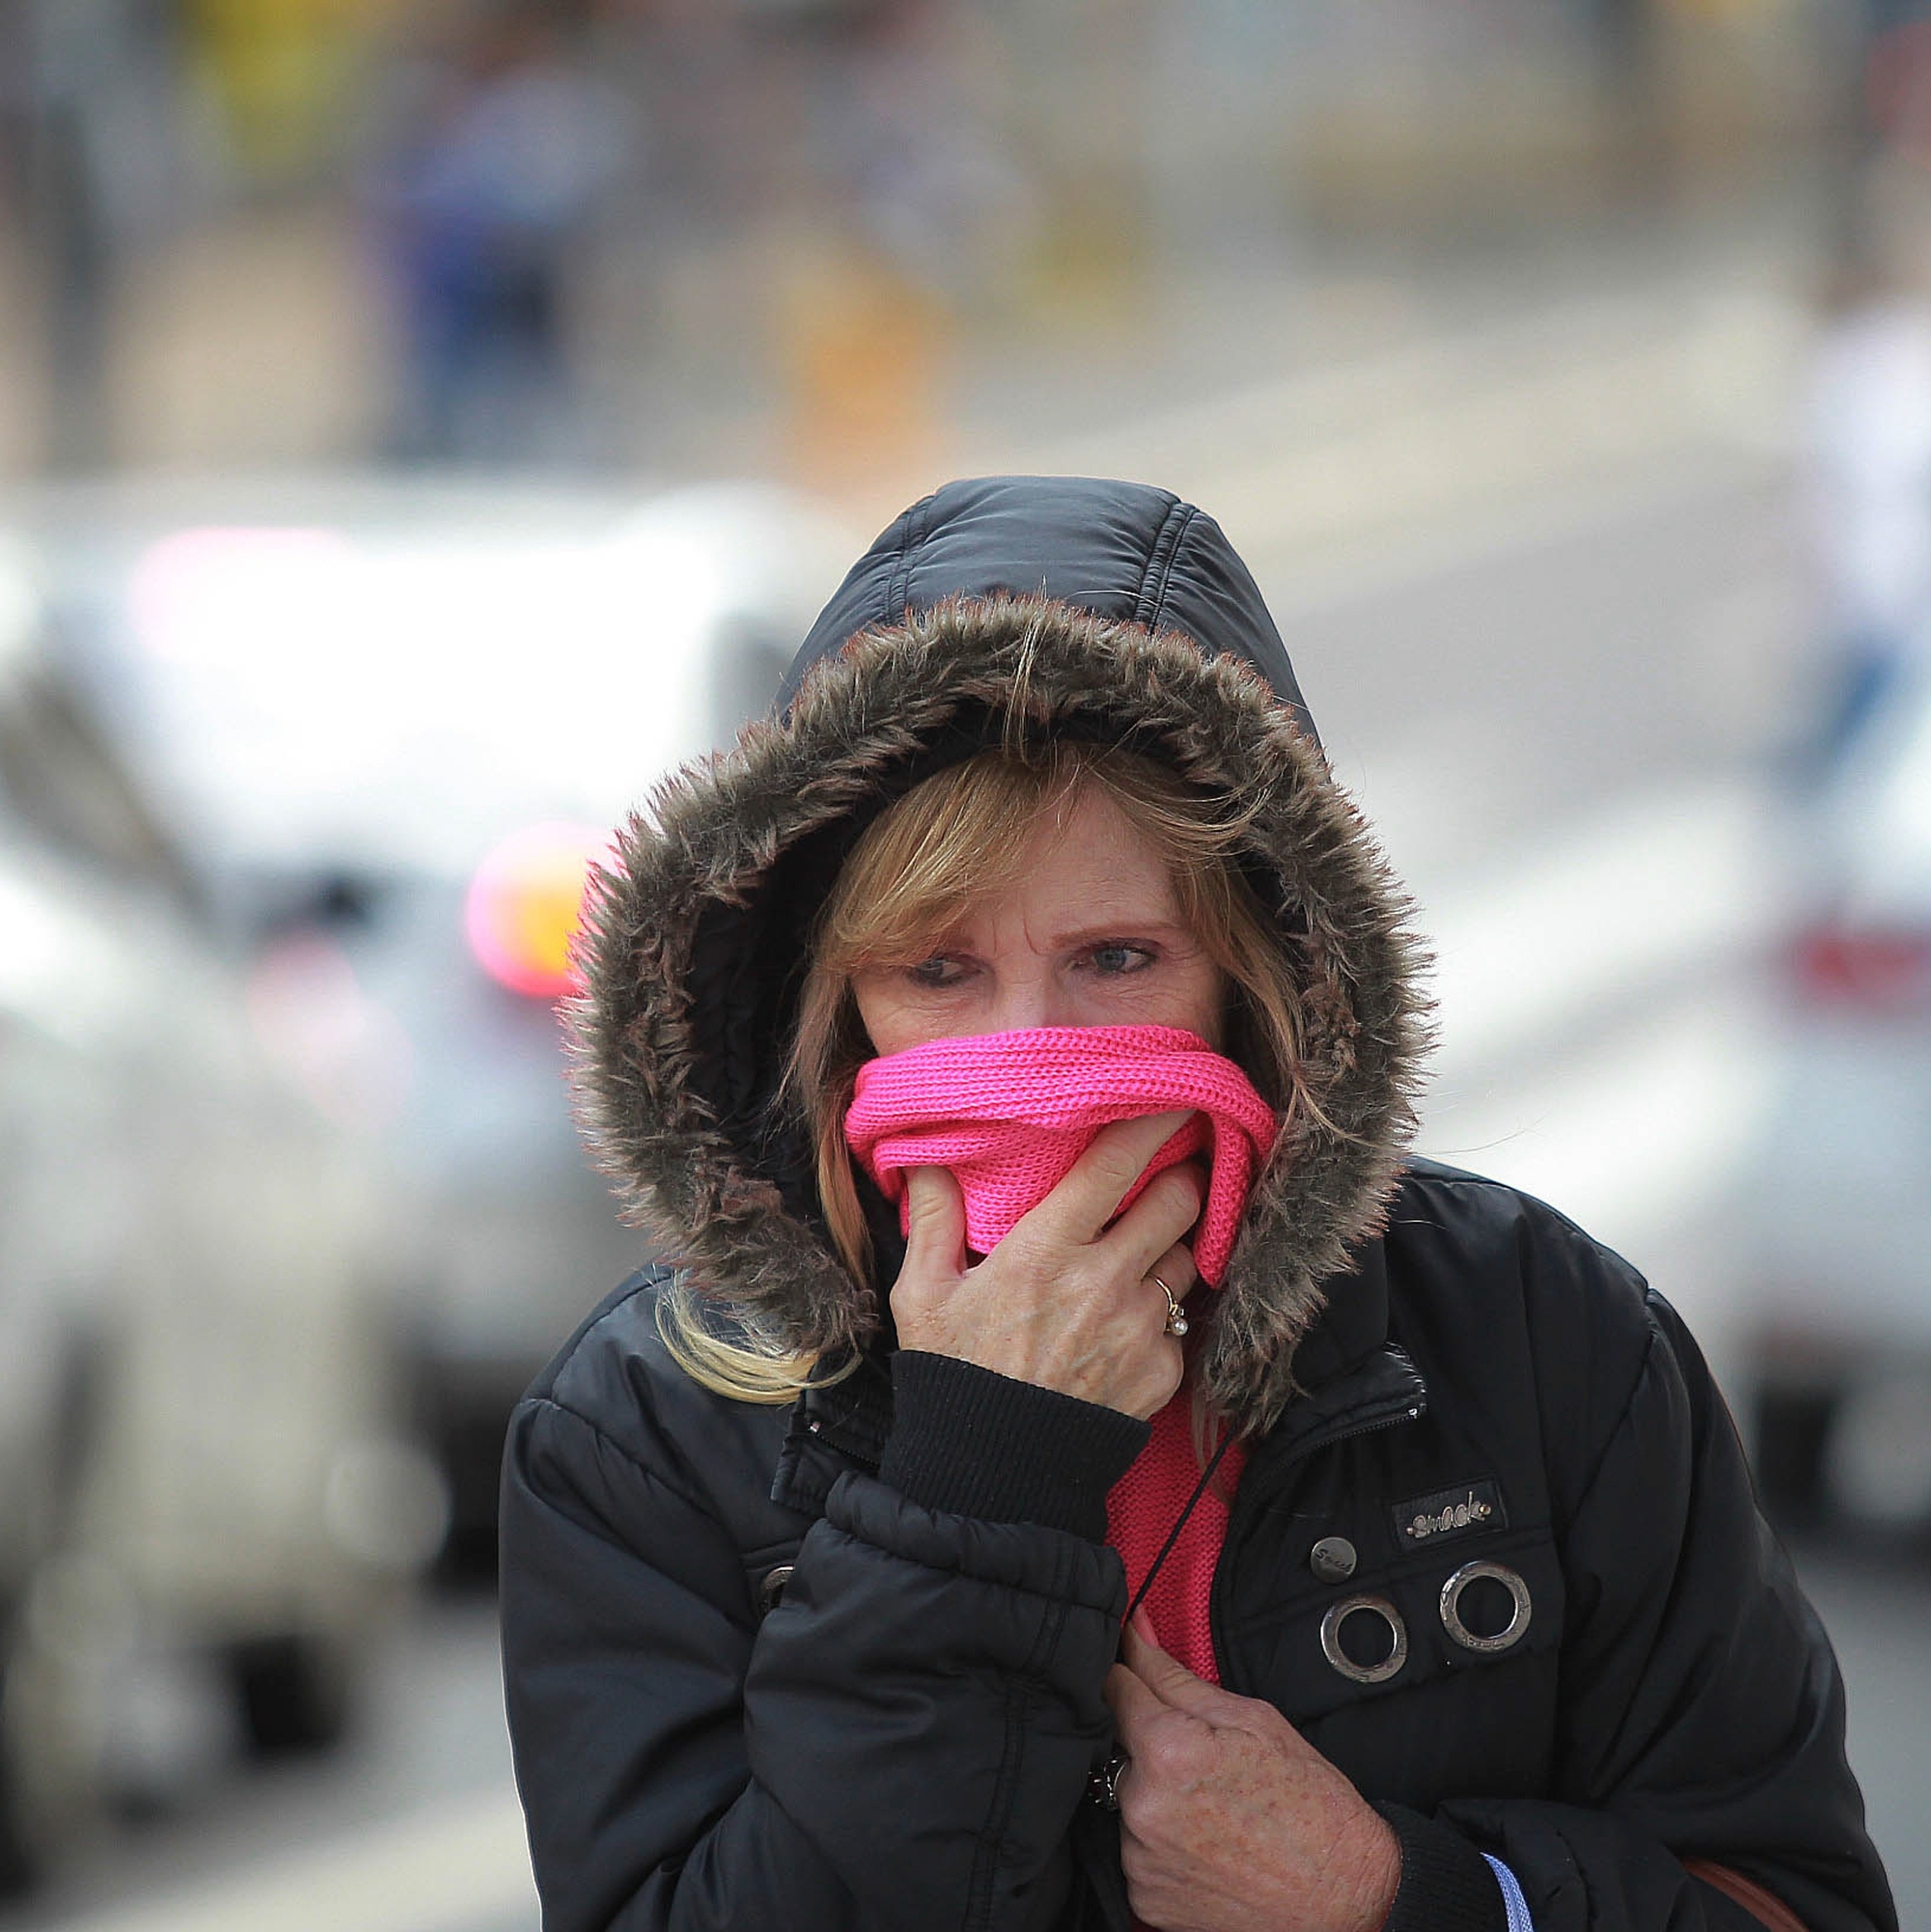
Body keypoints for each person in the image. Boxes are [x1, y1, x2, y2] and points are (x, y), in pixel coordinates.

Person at [499, 476, 1896, 1932]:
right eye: (937, 971)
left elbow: (1785, 1895)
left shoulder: (1537, 1332)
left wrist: (1398, 1895)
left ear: (1257, 975)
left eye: (1112, 959)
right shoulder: (642, 1433)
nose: (1031, 1053)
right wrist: (971, 1483)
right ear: (833, 1007)